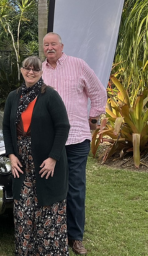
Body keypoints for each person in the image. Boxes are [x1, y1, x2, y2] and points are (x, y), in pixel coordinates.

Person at [42, 32, 107, 255]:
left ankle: (75, 237)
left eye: (53, 44)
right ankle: (54, 232)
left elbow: (98, 92)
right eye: (46, 45)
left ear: (62, 46)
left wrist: (93, 118)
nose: (50, 48)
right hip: (50, 141)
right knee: (52, 187)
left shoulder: (78, 65)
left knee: (76, 187)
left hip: (77, 138)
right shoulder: (39, 71)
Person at [3, 56, 71, 255]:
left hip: (46, 164)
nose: (30, 72)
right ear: (22, 70)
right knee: (24, 210)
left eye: (35, 69)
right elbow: (7, 128)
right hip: (22, 165)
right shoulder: (13, 97)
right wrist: (11, 155)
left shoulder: (50, 95)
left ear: (41, 72)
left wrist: (53, 158)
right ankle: (26, 251)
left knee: (47, 210)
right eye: (27, 68)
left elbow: (63, 127)